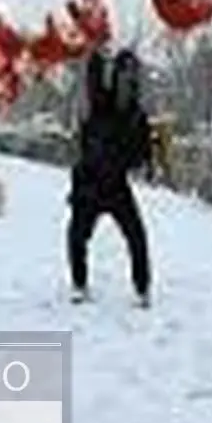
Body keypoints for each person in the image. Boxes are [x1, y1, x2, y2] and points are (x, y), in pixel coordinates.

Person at [66, 48, 154, 307]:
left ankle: (142, 289)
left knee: (136, 236)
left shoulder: (136, 116)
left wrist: (145, 164)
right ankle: (79, 285)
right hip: (89, 183)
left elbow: (141, 152)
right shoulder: (98, 105)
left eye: (132, 79)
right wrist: (95, 53)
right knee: (77, 236)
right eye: (124, 76)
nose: (128, 84)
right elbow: (92, 80)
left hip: (116, 185)